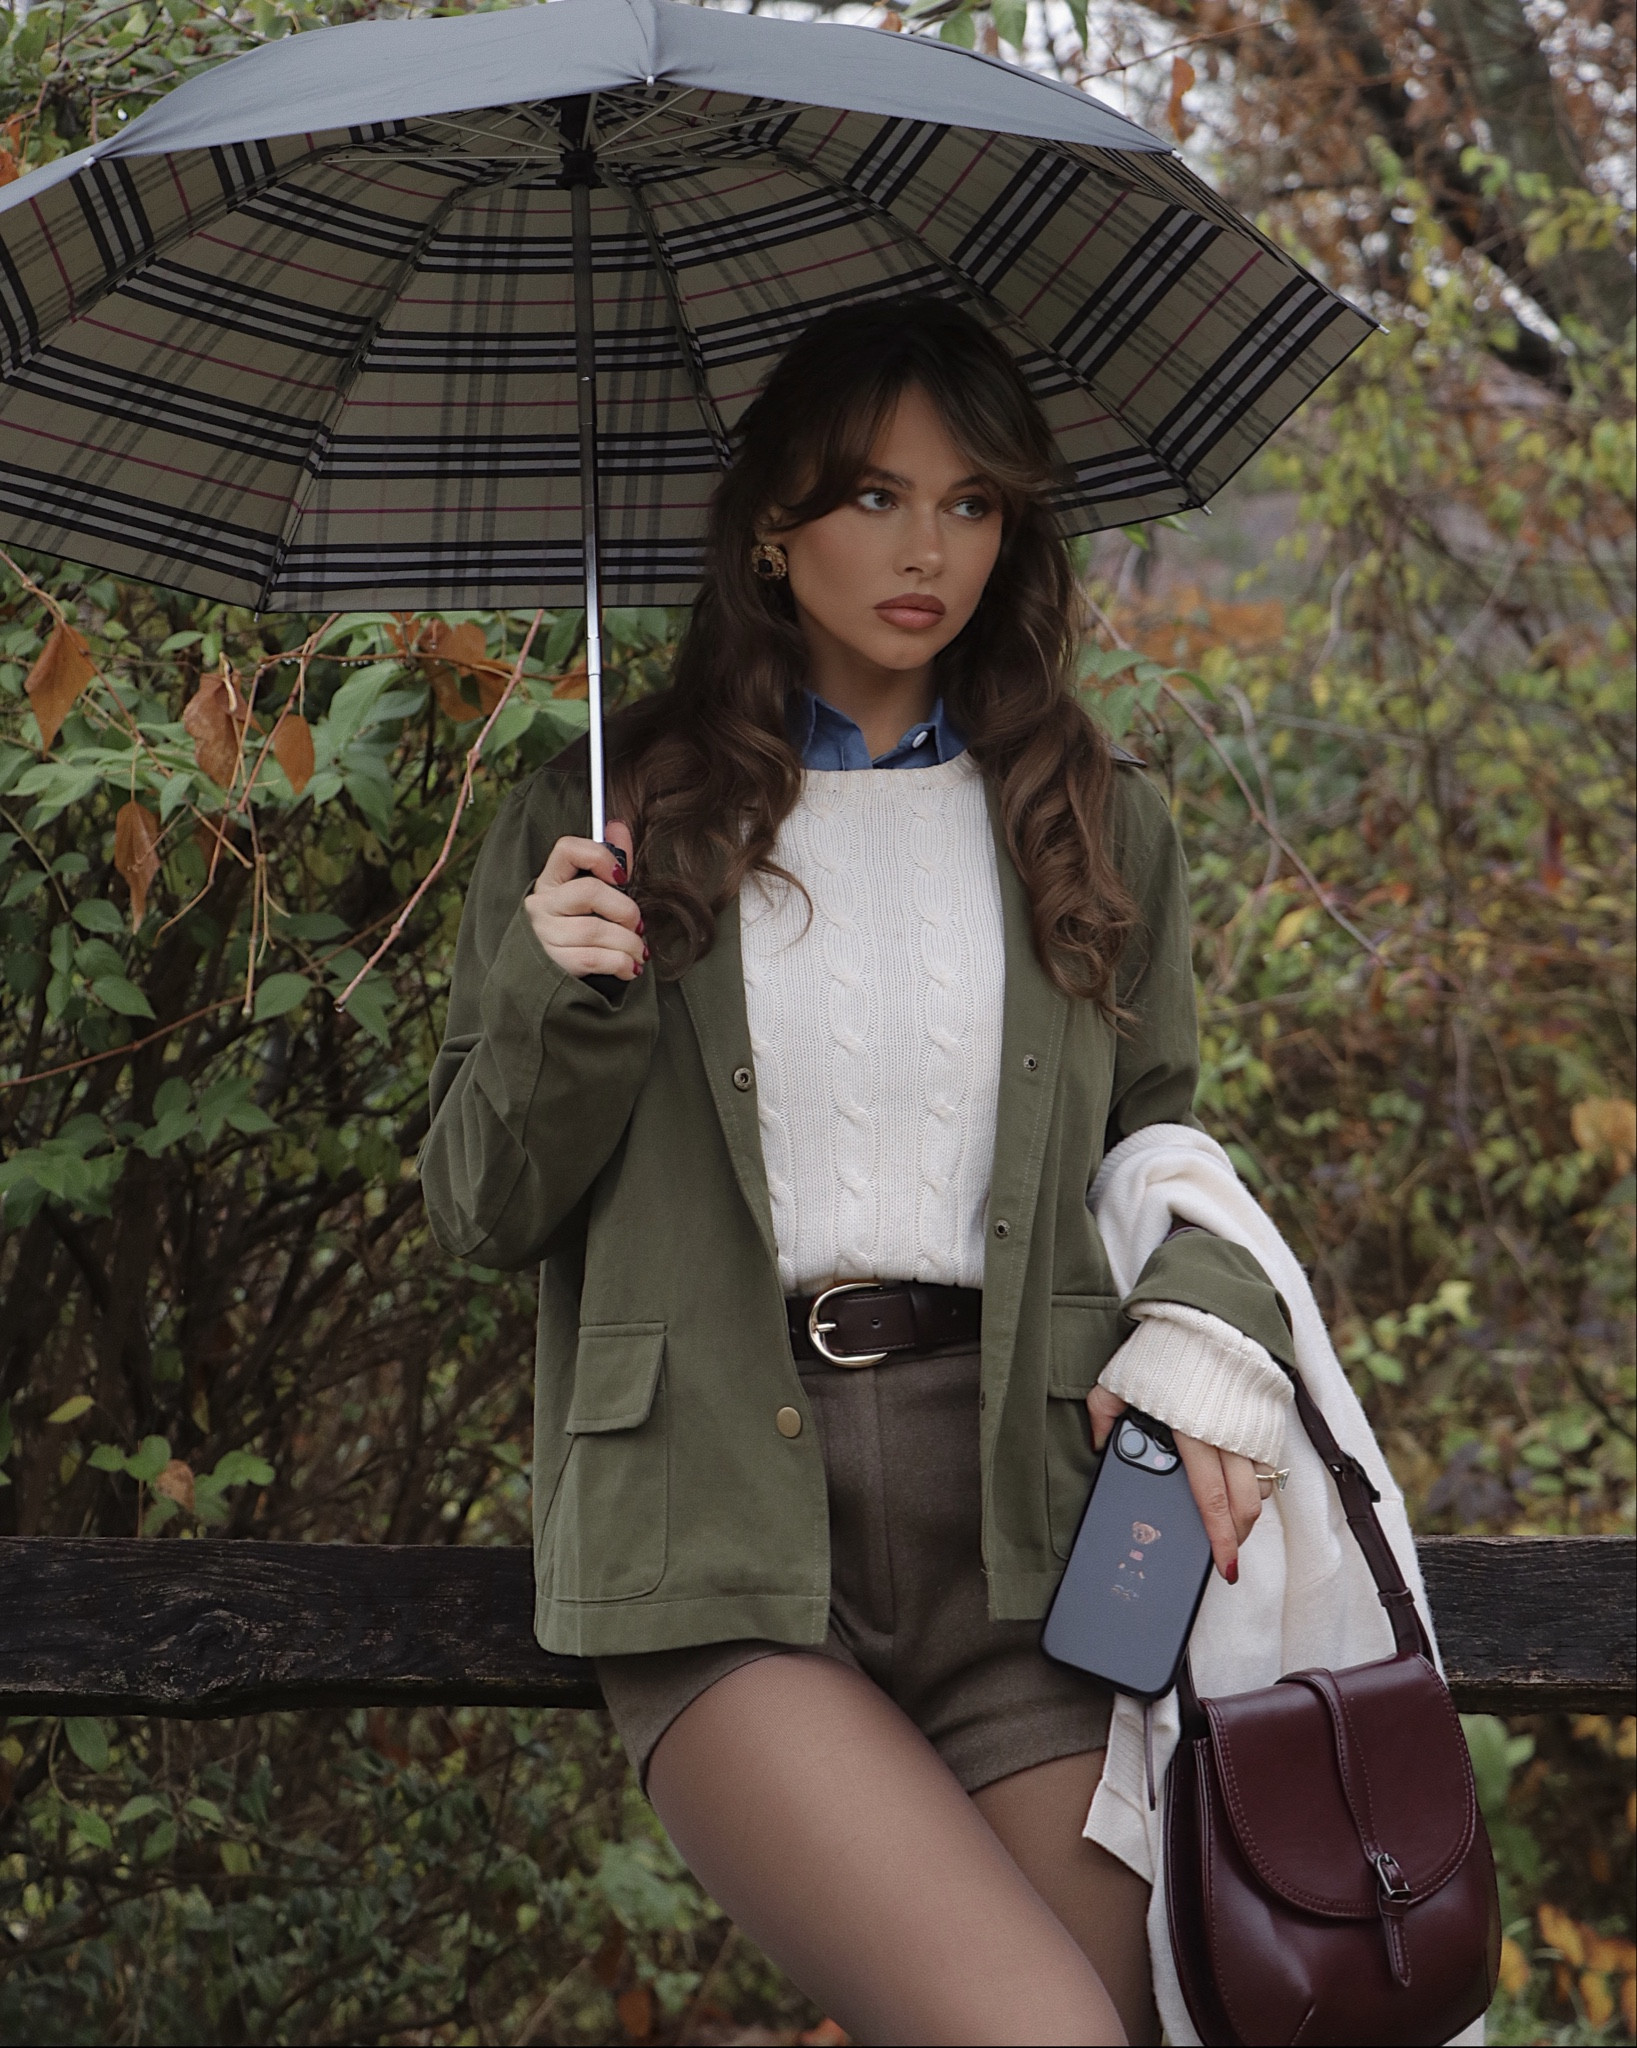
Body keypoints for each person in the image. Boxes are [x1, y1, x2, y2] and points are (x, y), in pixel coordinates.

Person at [420, 302, 1300, 2047]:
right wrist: (557, 989)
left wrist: (1210, 1323)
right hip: (715, 1524)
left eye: (970, 504)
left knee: (1145, 2023)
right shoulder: (606, 819)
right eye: (876, 497)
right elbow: (480, 1210)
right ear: (773, 521)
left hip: (1028, 1539)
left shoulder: (1091, 815)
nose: (927, 551)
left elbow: (1165, 1142)